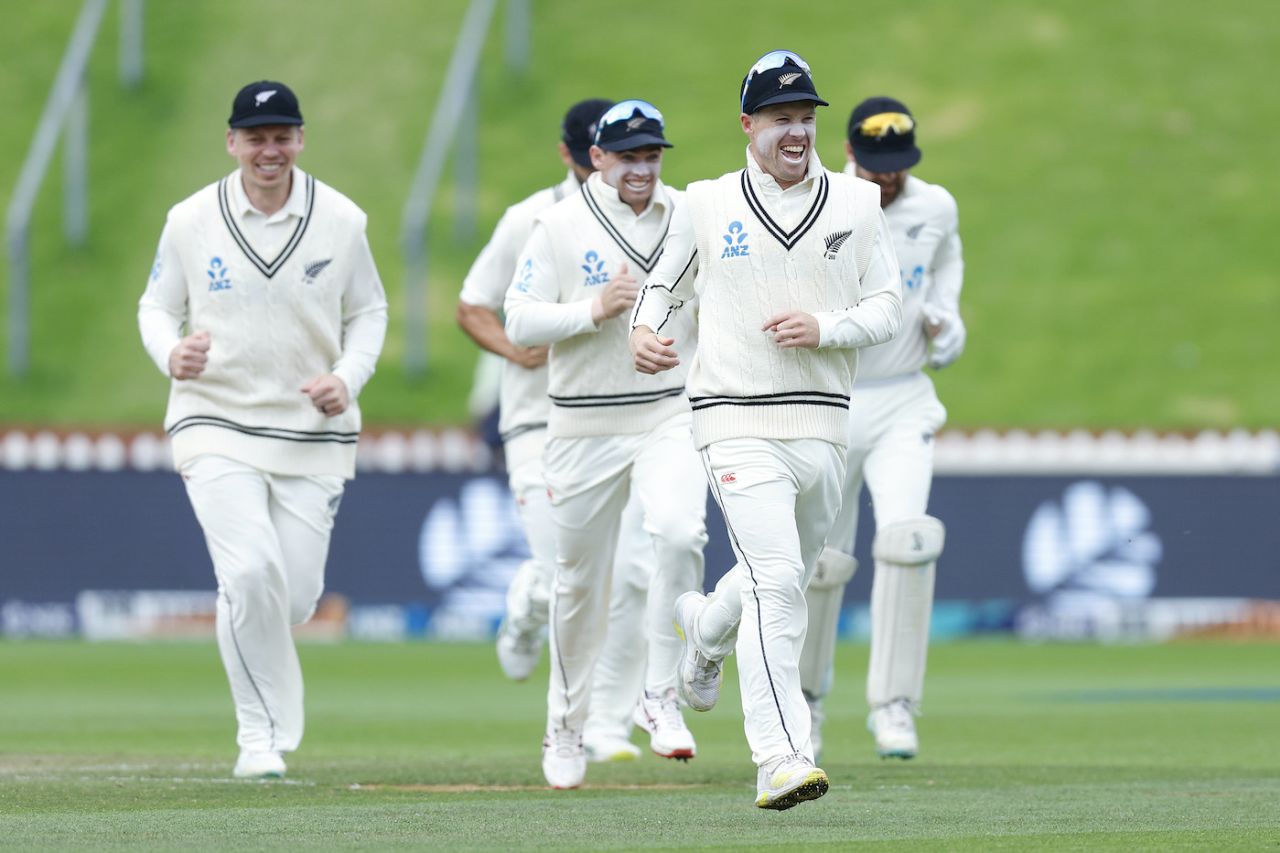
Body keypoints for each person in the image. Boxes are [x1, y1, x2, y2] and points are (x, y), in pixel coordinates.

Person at [630, 51, 902, 810]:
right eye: (780, 119)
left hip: (823, 424)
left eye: (806, 120)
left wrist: (826, 326)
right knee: (779, 582)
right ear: (748, 124)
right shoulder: (706, 203)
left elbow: (888, 306)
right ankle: (781, 756)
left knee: (771, 578)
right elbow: (664, 283)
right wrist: (643, 332)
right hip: (733, 418)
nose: (796, 133)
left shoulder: (856, 204)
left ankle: (704, 632)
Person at [137, 81, 388, 779]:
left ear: (301, 139)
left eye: (282, 136)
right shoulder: (190, 219)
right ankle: (260, 738)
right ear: (232, 143)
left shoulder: (342, 220)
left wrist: (348, 376)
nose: (269, 150)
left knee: (294, 595)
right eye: (255, 137)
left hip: (312, 429)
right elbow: (156, 306)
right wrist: (170, 353)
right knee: (248, 572)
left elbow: (370, 312)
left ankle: (264, 720)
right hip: (213, 416)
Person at [505, 100, 708, 789]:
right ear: (597, 159)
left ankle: (659, 697)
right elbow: (521, 320)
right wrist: (595, 308)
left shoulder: (688, 215)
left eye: (652, 156)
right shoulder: (557, 226)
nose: (642, 170)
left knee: (679, 534)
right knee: (579, 587)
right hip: (582, 425)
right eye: (628, 158)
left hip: (666, 414)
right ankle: (565, 723)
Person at [456, 98, 656, 762]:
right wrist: (516, 352)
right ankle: (524, 607)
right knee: (565, 570)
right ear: (575, 155)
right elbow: (472, 305)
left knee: (630, 571)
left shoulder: (657, 214)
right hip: (539, 420)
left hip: (625, 417)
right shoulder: (531, 220)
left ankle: (606, 723)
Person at [798, 96, 961, 761]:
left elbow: (945, 271)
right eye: (874, 167)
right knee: (822, 559)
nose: (885, 180)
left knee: (907, 539)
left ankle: (893, 704)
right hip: (829, 399)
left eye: (896, 168)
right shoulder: (817, 205)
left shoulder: (936, 207)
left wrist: (946, 326)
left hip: (901, 399)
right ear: (847, 153)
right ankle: (804, 704)